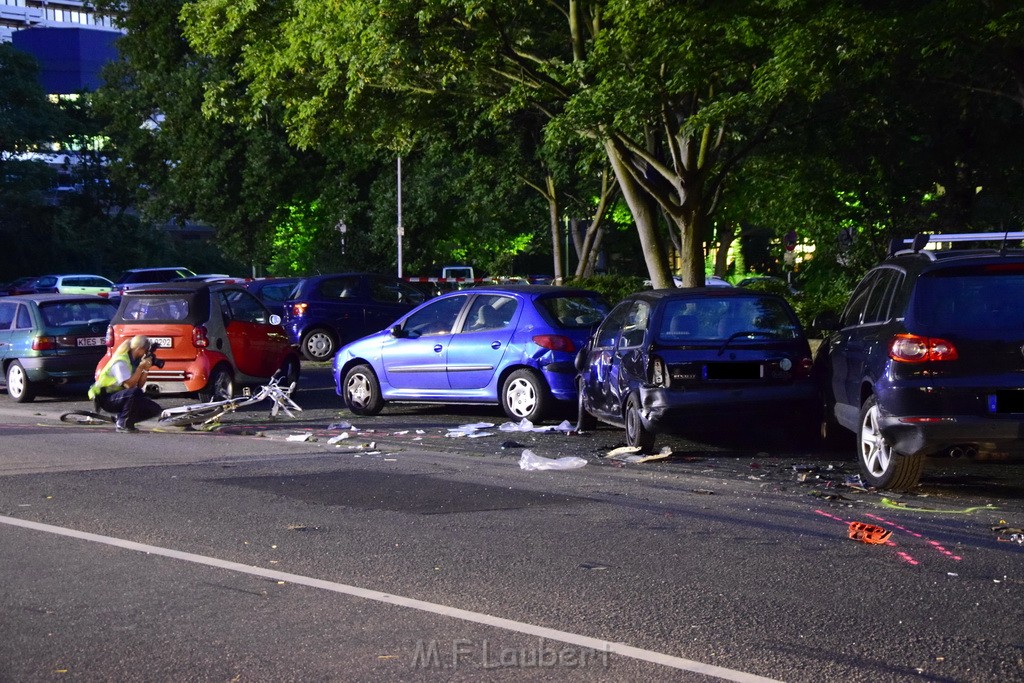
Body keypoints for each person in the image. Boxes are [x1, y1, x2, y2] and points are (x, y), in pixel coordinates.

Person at [88, 335, 163, 433]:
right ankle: (122, 423)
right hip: (106, 398)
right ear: (139, 349)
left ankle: (124, 420)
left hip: (120, 396)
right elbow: (129, 386)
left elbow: (140, 385)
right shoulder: (121, 361)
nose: (144, 354)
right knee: (134, 393)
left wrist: (145, 369)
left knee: (154, 409)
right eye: (145, 351)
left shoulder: (134, 361)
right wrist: (140, 368)